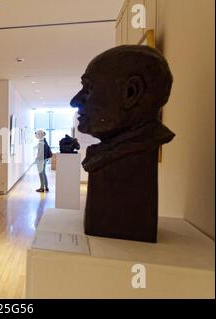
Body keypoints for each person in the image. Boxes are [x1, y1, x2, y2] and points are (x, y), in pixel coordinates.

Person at [70, 45, 175, 243]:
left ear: (130, 93)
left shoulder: (131, 158)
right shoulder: (110, 157)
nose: (75, 101)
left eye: (89, 89)